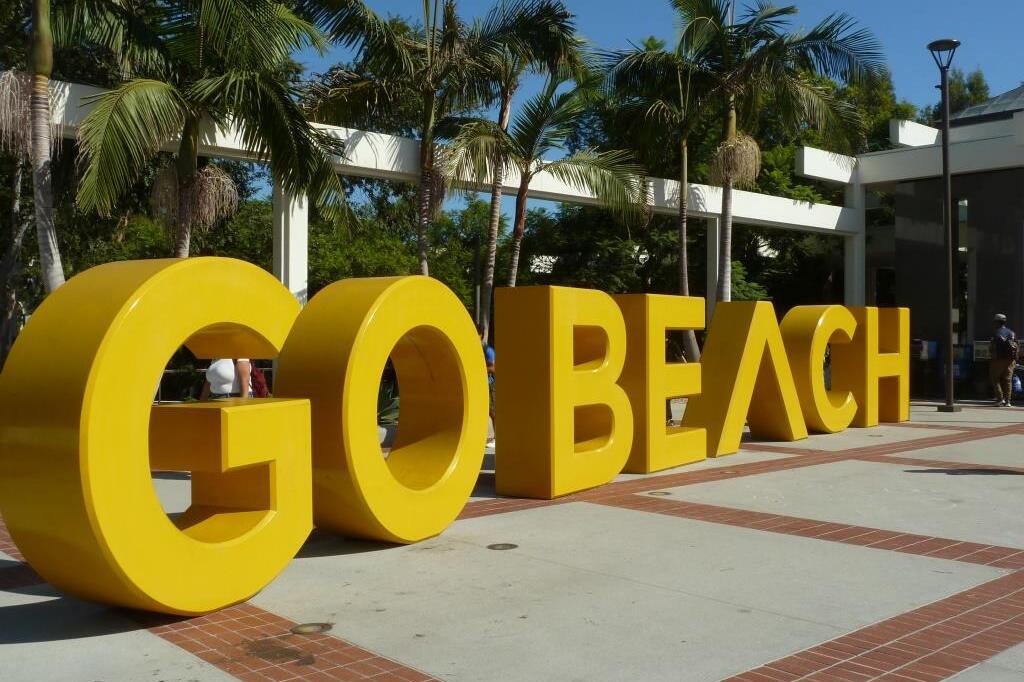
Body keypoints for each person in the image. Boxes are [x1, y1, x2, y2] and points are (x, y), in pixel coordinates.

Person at [989, 314, 1018, 407]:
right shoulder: (1012, 332)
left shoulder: (997, 332)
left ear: (997, 322)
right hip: (1011, 360)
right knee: (1008, 379)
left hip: (999, 359)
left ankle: (999, 399)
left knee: (995, 378)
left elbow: (992, 347)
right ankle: (1008, 401)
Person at [478, 324, 496, 443]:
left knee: (493, 411)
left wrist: (481, 368)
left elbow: (494, 368)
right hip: (480, 384)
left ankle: (496, 438)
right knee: (484, 411)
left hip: (490, 385)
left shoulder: (487, 350)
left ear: (480, 335)